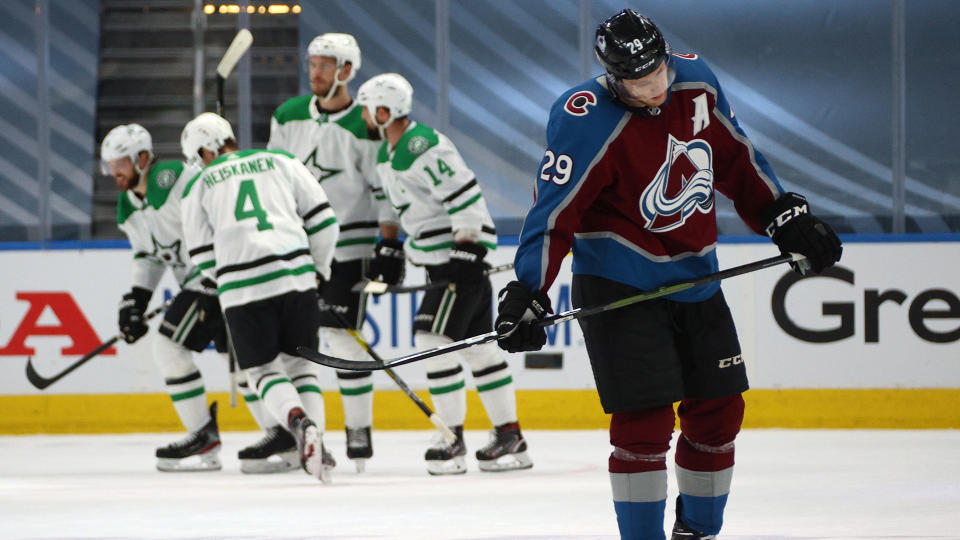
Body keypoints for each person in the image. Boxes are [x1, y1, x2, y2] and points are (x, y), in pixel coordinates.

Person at [495, 9, 842, 540]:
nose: (654, 86)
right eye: (637, 81)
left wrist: (783, 216)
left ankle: (697, 532)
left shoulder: (696, 82)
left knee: (720, 412)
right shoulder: (583, 117)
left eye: (657, 71)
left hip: (696, 277)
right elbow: (554, 213)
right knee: (645, 424)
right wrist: (528, 290)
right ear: (612, 76)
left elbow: (735, 158)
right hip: (620, 284)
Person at [356, 72, 533, 475]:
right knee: (476, 347)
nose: (365, 114)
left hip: (458, 259)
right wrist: (389, 247)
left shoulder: (425, 146)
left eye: (368, 107)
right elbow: (391, 207)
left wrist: (468, 248)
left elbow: (465, 195)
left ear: (384, 110)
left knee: (432, 338)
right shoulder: (386, 153)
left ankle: (452, 440)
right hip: (439, 261)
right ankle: (511, 436)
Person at [179, 112, 340, 482]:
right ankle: (320, 447)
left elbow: (202, 255)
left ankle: (298, 423)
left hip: (242, 287)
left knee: (264, 370)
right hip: (297, 276)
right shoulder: (281, 160)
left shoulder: (199, 184)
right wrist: (318, 271)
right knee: (302, 366)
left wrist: (229, 275)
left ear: (206, 150)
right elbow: (324, 221)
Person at [267, 32, 401, 471]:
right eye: (312, 63)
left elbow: (383, 189)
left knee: (342, 335)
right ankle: (296, 434)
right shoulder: (288, 115)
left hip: (351, 244)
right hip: (297, 247)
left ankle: (358, 428)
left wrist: (388, 243)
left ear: (346, 70)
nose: (316, 72)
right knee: (294, 343)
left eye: (325, 64)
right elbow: (272, 177)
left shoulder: (366, 123)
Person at [102, 123, 230, 472]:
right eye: (109, 165)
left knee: (171, 348)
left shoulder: (172, 176)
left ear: (142, 158)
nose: (114, 172)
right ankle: (286, 437)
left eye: (120, 164)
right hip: (202, 282)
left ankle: (207, 435)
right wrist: (137, 300)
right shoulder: (128, 206)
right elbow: (149, 256)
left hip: (217, 275)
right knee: (241, 358)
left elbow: (219, 204)